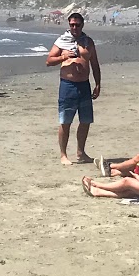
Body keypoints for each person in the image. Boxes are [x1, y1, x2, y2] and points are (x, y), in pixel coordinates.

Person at [46, 11, 101, 165]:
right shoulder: (62, 41)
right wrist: (64, 57)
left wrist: (97, 84)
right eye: (72, 25)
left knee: (85, 120)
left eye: (77, 24)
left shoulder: (88, 42)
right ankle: (63, 154)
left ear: (82, 25)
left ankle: (81, 152)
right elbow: (49, 61)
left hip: (84, 85)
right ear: (68, 25)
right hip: (68, 85)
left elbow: (95, 64)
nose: (74, 27)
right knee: (65, 121)